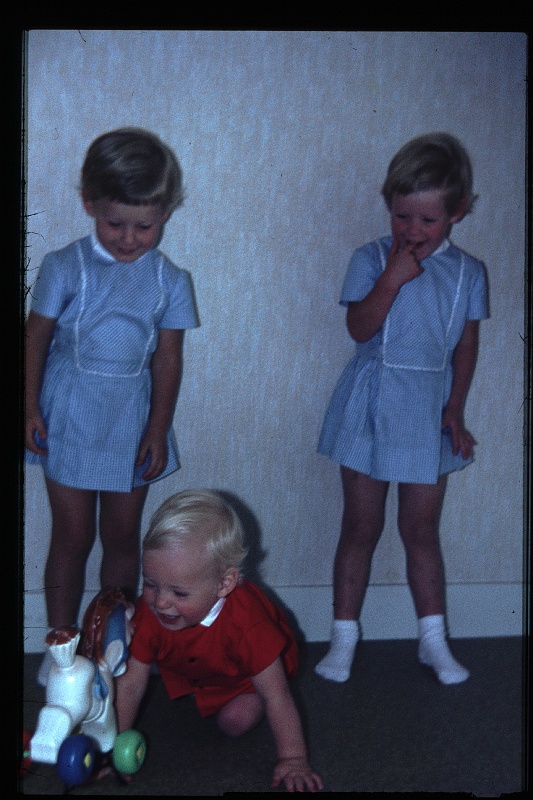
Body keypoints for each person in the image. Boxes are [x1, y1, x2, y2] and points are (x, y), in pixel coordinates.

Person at [25, 127, 199, 685]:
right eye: (114, 223)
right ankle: (60, 650)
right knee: (71, 536)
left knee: (124, 537)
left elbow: (167, 360)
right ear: (89, 205)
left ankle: (110, 645)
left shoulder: (170, 281)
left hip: (131, 420)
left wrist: (158, 428)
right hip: (71, 411)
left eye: (144, 226)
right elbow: (34, 340)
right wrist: (27, 407)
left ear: (166, 214)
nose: (128, 239)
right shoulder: (63, 266)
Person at [315, 132, 489, 685]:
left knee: (421, 529)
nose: (413, 231)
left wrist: (455, 411)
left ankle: (432, 641)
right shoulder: (369, 258)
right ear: (389, 206)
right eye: (402, 216)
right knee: (360, 526)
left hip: (428, 408)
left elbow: (465, 345)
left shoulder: (468, 273)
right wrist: (389, 280)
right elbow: (358, 328)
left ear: (458, 212)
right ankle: (344, 637)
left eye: (428, 220)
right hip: (371, 399)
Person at [113, 490, 324, 792]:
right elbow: (131, 684)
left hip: (246, 678)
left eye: (179, 593)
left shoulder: (248, 624)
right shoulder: (152, 611)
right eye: (150, 584)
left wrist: (294, 759)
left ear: (224, 583)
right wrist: (111, 746)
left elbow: (277, 695)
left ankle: (247, 698)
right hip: (202, 665)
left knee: (233, 721)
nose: (160, 602)